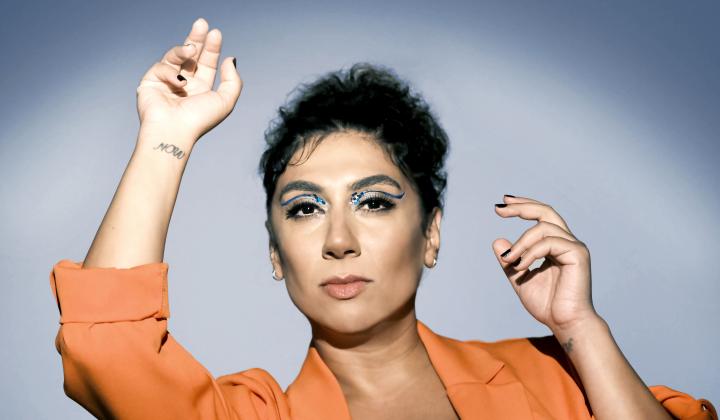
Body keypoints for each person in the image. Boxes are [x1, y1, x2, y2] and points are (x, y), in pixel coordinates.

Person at [49, 17, 716, 420]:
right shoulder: (256, 414)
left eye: (374, 202)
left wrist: (581, 331)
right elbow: (109, 349)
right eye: (305, 209)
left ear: (431, 234)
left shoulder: (557, 380)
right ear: (276, 254)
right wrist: (166, 137)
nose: (339, 240)